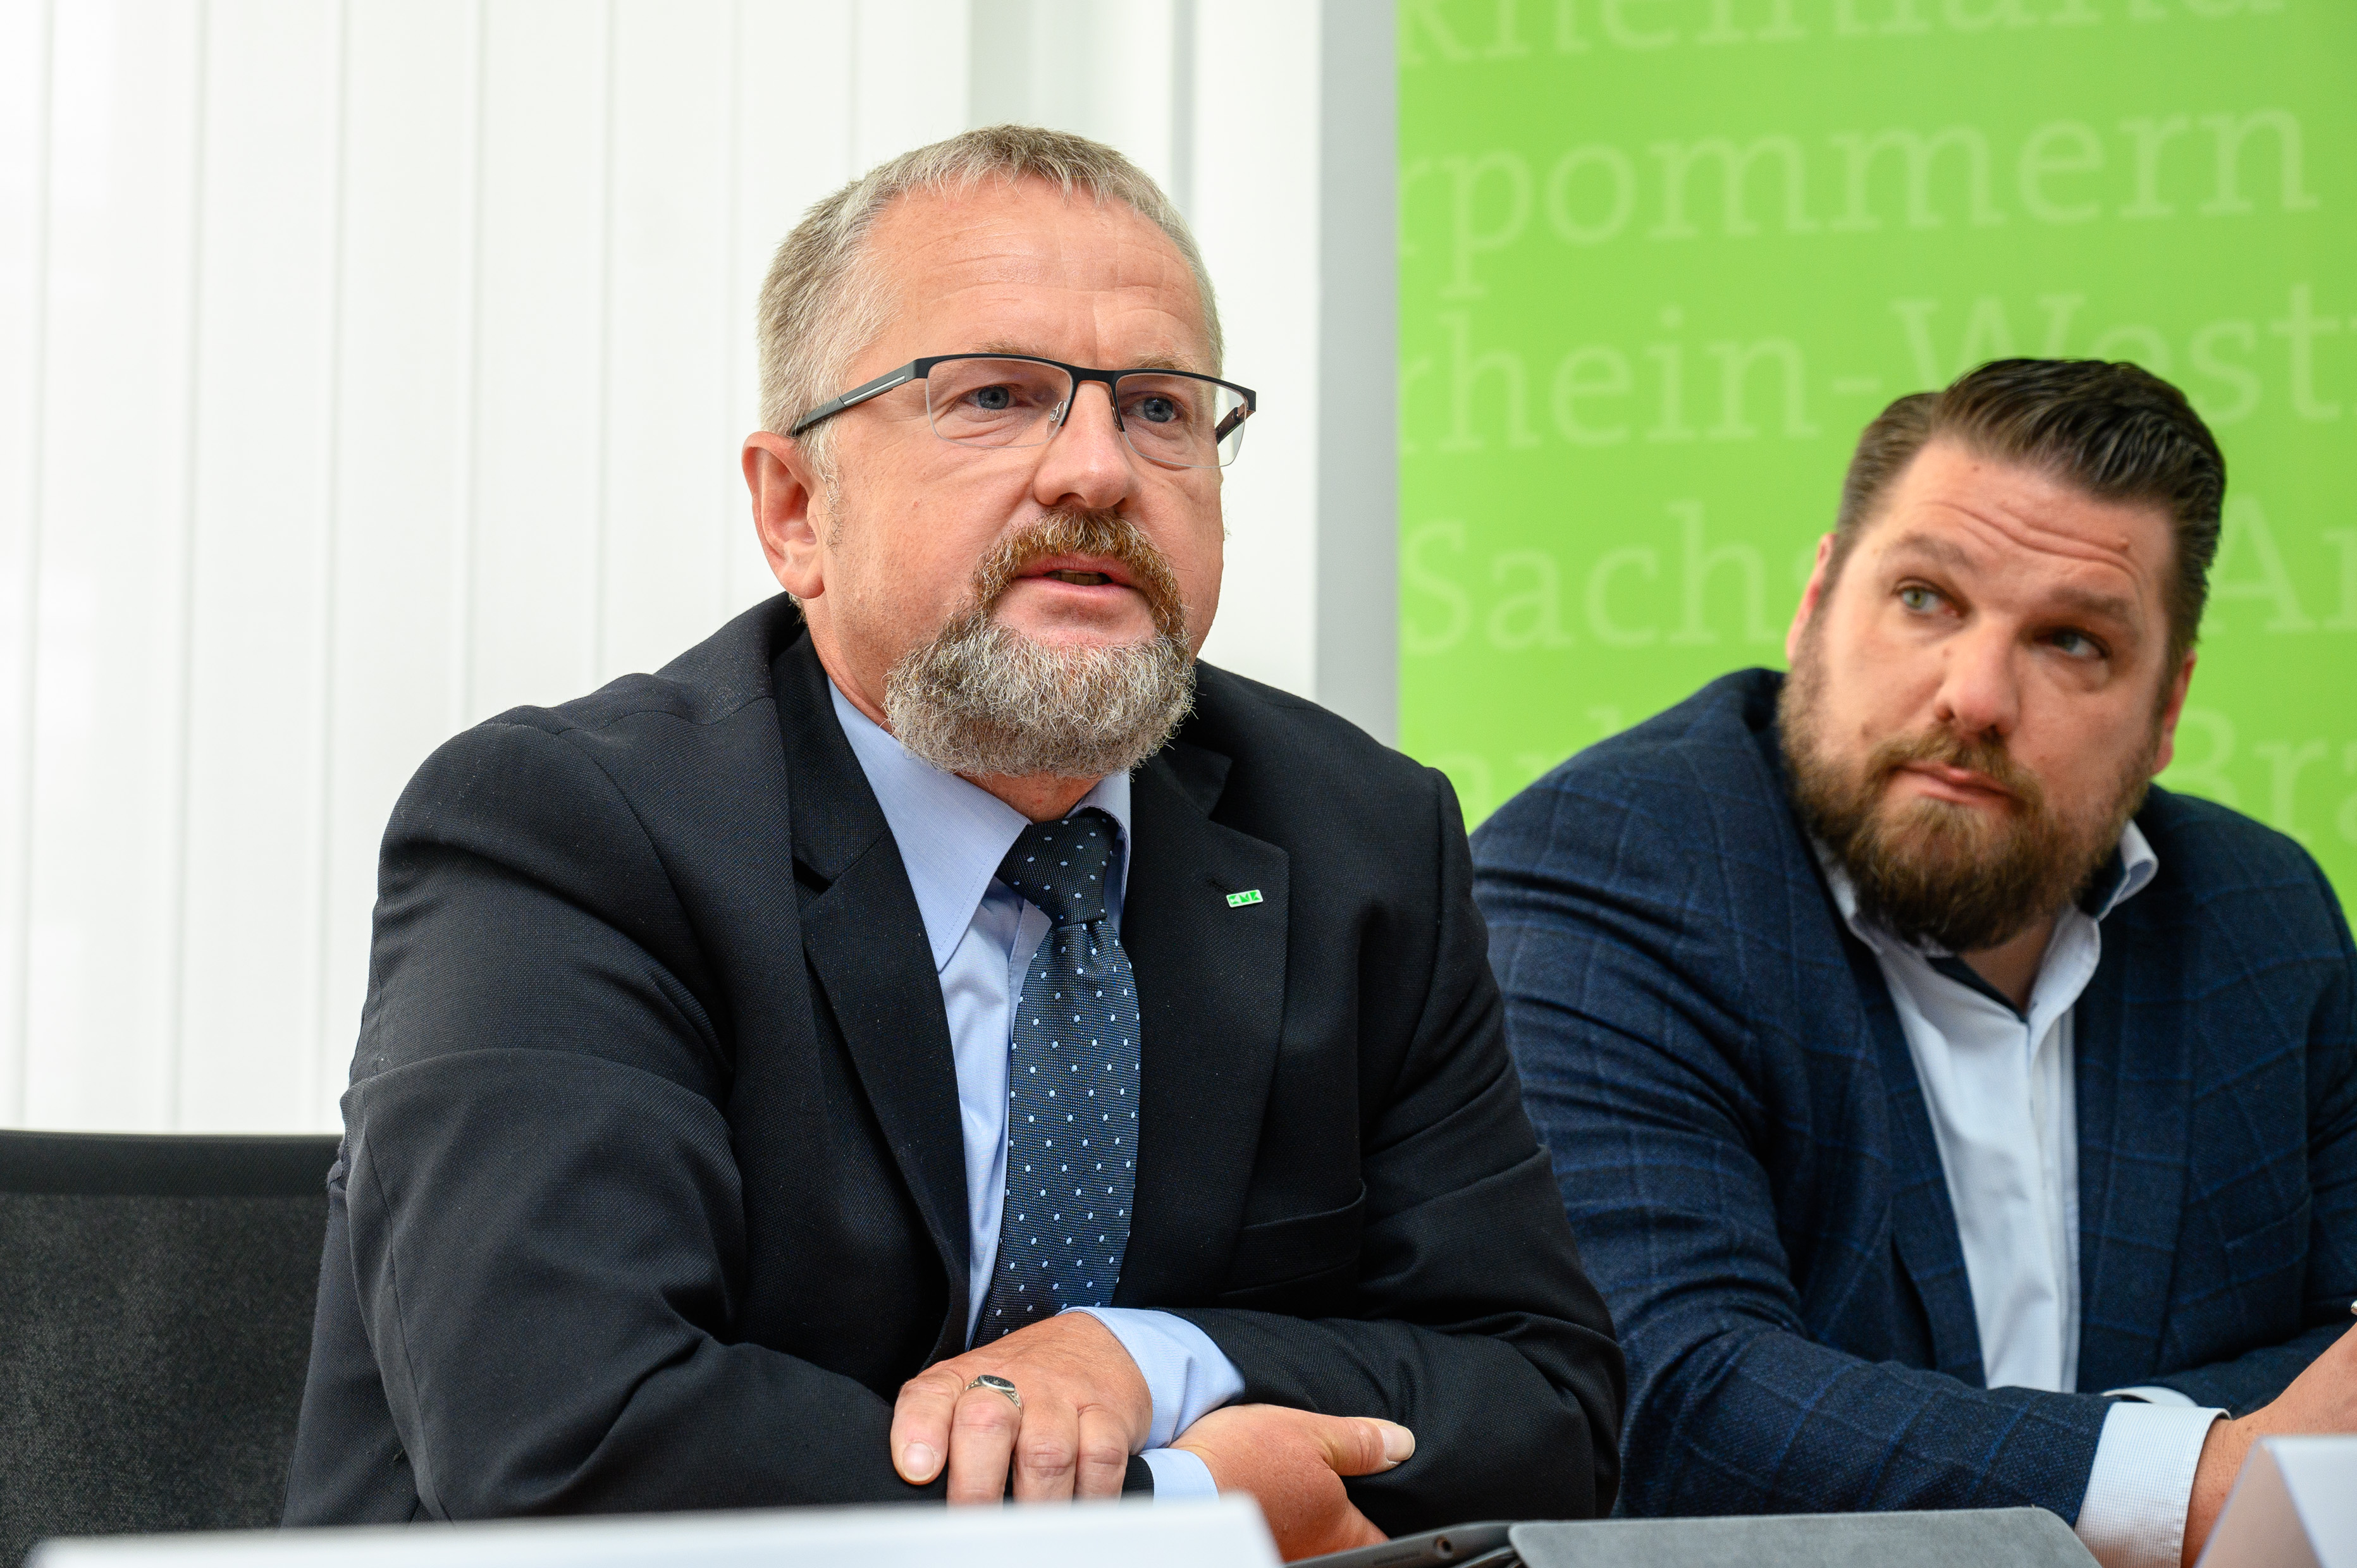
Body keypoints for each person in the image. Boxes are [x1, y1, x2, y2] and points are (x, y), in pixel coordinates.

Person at [281, 126, 1622, 1555]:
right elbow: (568, 1442)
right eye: (996, 395)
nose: (1099, 470)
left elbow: (1547, 1406)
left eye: (1162, 408)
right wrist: (1182, 1512)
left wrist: (1148, 1355)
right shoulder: (568, 833)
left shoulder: (1361, 838)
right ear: (795, 509)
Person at [1472, 359, 2357, 1568]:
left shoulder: (2266, 921)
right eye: (1928, 600)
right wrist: (2200, 1480)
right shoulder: (1610, 869)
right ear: (1816, 607)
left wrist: (2202, 1469)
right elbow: (1677, 1395)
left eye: (2072, 641)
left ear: (2167, 709)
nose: (1978, 695)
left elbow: (2339, 1375)